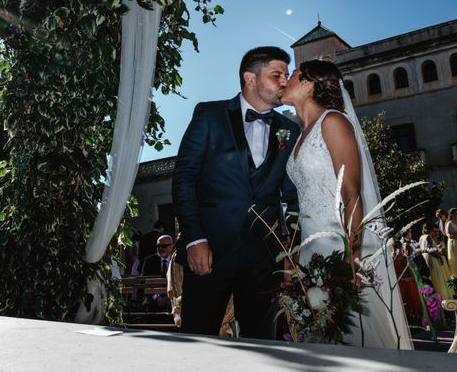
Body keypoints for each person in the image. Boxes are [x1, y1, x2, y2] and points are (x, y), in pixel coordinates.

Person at [281, 59, 413, 349]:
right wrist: (294, 255)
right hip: (310, 251)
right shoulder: (300, 134)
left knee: (355, 336)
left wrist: (351, 257)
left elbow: (352, 193)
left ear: (308, 83)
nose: (285, 80)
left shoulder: (333, 121)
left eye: (292, 74)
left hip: (339, 246)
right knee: (321, 340)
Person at [172, 46, 300, 339]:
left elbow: (291, 197)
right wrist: (195, 239)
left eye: (286, 75)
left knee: (263, 345)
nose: (284, 81)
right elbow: (184, 179)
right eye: (276, 75)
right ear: (250, 78)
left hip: (264, 259)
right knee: (198, 338)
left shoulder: (289, 130)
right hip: (210, 252)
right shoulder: (209, 115)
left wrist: (290, 252)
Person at [420, 222, 452, 300]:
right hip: (433, 260)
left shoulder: (421, 237)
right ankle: (443, 297)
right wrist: (439, 257)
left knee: (433, 278)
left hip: (426, 259)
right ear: (431, 230)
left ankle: (437, 297)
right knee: (439, 278)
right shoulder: (428, 237)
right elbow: (431, 250)